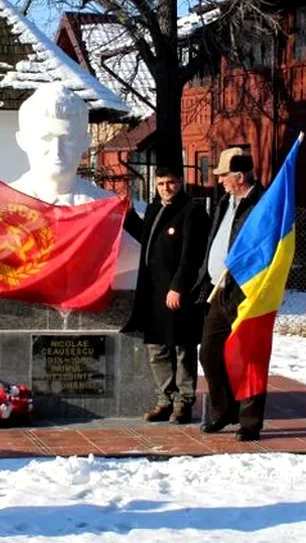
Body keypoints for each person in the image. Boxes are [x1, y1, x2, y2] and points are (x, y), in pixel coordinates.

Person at [7, 82, 138, 289]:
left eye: (67, 139)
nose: (57, 151)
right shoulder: (1, 205)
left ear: (85, 141)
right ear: (23, 140)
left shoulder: (107, 208)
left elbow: (131, 266)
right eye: (46, 139)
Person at [123, 166, 211, 424]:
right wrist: (128, 214)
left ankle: (184, 402)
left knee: (182, 347)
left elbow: (193, 254)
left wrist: (179, 287)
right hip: (153, 291)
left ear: (180, 182)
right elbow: (147, 239)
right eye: (161, 183)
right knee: (157, 348)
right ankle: (165, 399)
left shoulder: (192, 211)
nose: (165, 188)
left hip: (178, 292)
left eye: (170, 182)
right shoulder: (154, 208)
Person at [197, 147, 267, 441]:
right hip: (219, 290)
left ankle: (250, 422)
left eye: (224, 175)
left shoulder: (262, 204)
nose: (219, 180)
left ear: (239, 176)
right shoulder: (225, 201)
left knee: (249, 357)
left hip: (246, 292)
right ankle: (224, 410)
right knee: (209, 352)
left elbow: (267, 247)